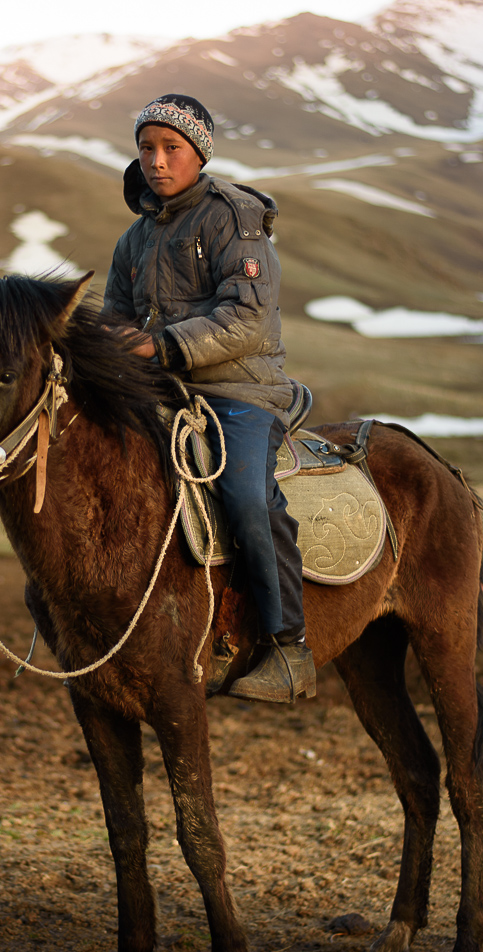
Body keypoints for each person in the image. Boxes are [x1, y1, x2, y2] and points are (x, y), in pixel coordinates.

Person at [103, 93, 315, 704]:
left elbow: (246, 319)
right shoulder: (133, 240)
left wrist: (157, 346)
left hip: (241, 389)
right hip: (164, 389)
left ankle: (287, 645)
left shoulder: (233, 219)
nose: (157, 161)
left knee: (246, 494)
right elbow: (116, 323)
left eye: (172, 149)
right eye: (147, 149)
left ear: (200, 153)